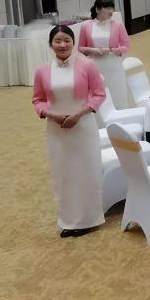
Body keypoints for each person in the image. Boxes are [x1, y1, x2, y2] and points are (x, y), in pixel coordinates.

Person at [32, 25, 107, 237]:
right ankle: (68, 220)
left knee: (86, 171)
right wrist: (51, 114)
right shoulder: (42, 71)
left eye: (67, 40)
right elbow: (38, 100)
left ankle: (90, 218)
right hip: (56, 129)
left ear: (73, 43)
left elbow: (99, 94)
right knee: (63, 174)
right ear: (51, 44)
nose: (62, 45)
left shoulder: (87, 65)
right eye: (58, 41)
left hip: (83, 125)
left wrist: (79, 114)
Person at [77, 0, 130, 108]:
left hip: (113, 65)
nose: (111, 11)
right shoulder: (86, 25)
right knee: (97, 95)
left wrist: (112, 50)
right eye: (107, 8)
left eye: (112, 8)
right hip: (94, 66)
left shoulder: (118, 25)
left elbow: (126, 46)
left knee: (117, 93)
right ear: (97, 9)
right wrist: (93, 50)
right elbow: (80, 48)